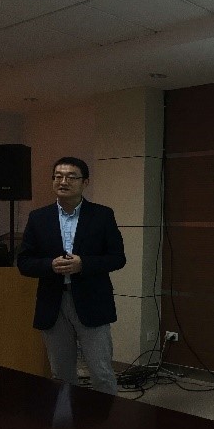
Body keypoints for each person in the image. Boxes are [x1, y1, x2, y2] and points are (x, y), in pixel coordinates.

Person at [18, 157, 126, 395]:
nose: (63, 181)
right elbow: (24, 262)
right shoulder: (38, 218)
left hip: (92, 301)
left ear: (85, 182)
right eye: (58, 176)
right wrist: (49, 265)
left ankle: (105, 419)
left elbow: (118, 258)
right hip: (53, 303)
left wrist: (83, 264)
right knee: (61, 374)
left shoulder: (102, 215)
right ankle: (68, 419)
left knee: (101, 373)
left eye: (70, 177)